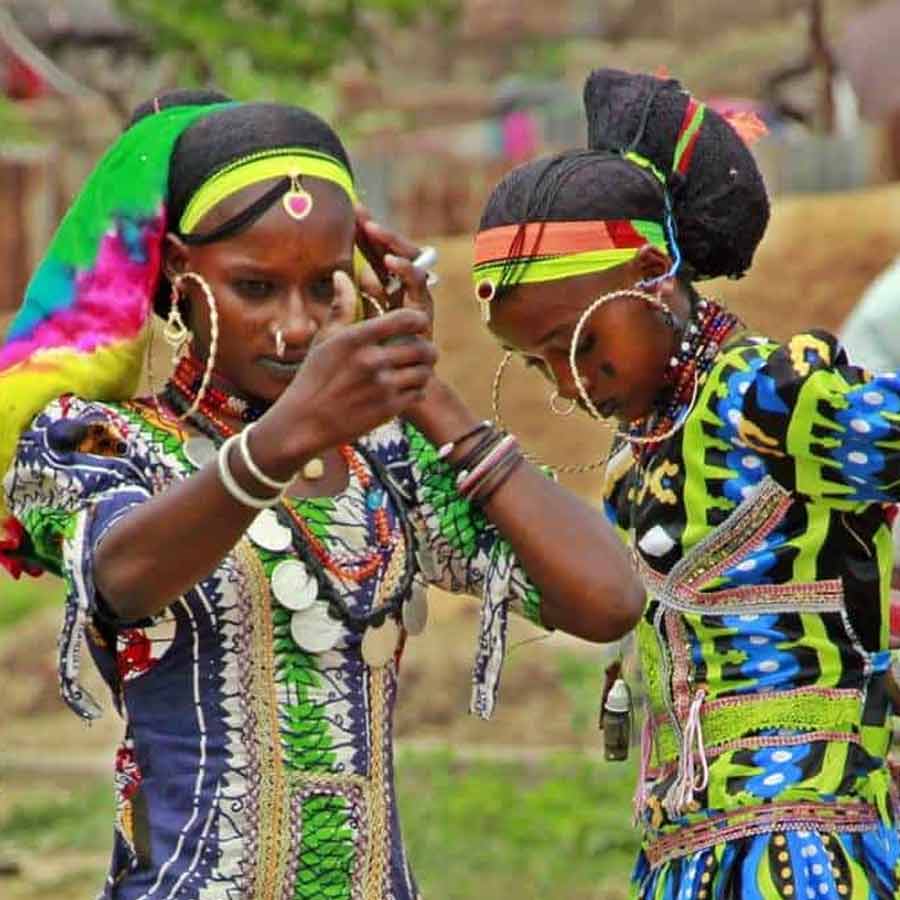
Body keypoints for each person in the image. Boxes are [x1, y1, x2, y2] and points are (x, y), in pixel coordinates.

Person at [0, 89, 644, 898]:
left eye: (324, 285)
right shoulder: (93, 440)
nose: (297, 326)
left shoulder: (387, 460)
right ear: (176, 276)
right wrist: (284, 438)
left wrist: (425, 391)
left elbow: (606, 600)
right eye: (256, 288)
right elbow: (121, 577)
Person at [472, 68, 900, 899]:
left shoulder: (771, 397)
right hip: (686, 855)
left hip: (804, 850)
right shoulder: (638, 459)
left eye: (581, 344)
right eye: (537, 365)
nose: (570, 384)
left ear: (650, 273)